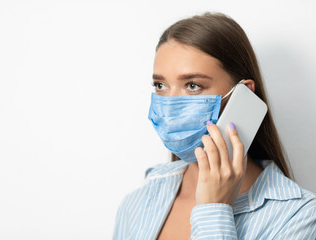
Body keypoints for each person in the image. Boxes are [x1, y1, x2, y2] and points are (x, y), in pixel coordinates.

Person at [112, 12, 316, 239]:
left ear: (244, 95)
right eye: (160, 85)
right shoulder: (137, 202)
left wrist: (214, 210)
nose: (169, 103)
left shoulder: (299, 218)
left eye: (192, 85)